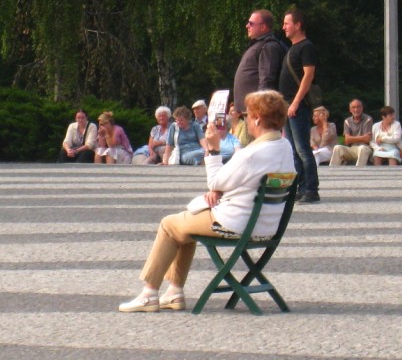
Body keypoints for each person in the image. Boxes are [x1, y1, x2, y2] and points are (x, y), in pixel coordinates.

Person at [118, 90, 295, 312]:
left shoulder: (251, 154)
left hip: (235, 222)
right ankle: (173, 292)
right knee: (185, 225)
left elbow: (216, 181)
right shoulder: (284, 147)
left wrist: (212, 150)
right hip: (266, 225)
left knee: (170, 225)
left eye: (248, 115)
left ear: (258, 118)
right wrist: (221, 190)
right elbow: (247, 182)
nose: (246, 119)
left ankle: (149, 293)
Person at [278, 9, 319, 202]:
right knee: (293, 149)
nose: (284, 27)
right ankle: (301, 187)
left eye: (287, 23)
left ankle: (311, 189)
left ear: (298, 24)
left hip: (297, 105)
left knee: (303, 149)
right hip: (287, 105)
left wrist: (295, 102)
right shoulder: (291, 48)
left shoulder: (306, 47)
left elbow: (308, 76)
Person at [233, 9, 285, 114]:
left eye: (251, 23)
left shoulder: (268, 46)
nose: (247, 26)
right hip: (250, 111)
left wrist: (259, 107)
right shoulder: (259, 45)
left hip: (257, 112)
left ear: (263, 27)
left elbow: (266, 79)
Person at [329, 99, 373, 167]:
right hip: (352, 148)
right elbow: (347, 140)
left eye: (358, 107)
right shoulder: (347, 121)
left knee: (363, 148)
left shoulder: (368, 119)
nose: (356, 109)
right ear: (350, 109)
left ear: (362, 108)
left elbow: (367, 139)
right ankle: (331, 172)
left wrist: (352, 138)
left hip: (365, 147)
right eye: (354, 107)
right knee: (337, 148)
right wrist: (362, 138)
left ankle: (359, 173)